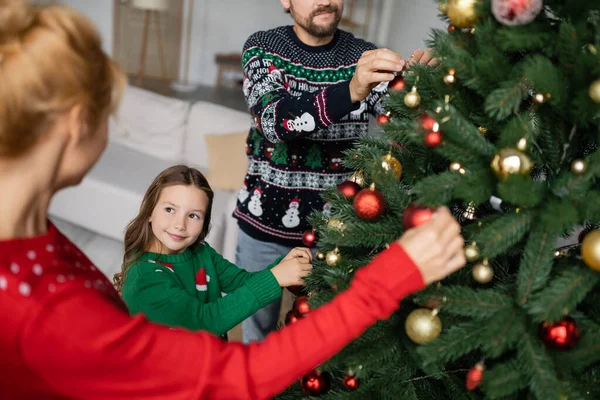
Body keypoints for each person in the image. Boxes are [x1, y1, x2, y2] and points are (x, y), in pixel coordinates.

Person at [0, 1, 464, 399]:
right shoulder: (53, 308)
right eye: (110, 113)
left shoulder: (36, 240)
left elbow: (403, 122)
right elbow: (239, 374)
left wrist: (420, 88)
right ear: (77, 123)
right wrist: (392, 276)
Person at [234, 0, 437, 343]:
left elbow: (405, 120)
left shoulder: (365, 55)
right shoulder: (261, 48)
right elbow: (275, 121)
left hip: (336, 235)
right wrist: (352, 90)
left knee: (325, 342)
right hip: (262, 231)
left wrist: (422, 88)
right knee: (258, 335)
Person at [115, 165, 314, 337]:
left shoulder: (202, 253)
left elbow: (242, 282)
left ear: (204, 223)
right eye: (170, 210)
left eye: (193, 215)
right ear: (150, 212)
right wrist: (274, 277)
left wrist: (280, 267)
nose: (179, 224)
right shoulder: (144, 278)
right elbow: (206, 321)